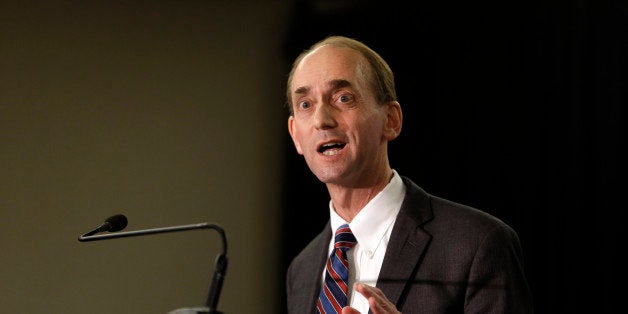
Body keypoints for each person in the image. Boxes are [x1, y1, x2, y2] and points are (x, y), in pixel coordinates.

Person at [284, 35, 534, 314]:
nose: (321, 120)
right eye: (306, 104)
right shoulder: (302, 270)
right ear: (295, 135)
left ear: (391, 120)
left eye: (343, 98)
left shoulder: (477, 244)